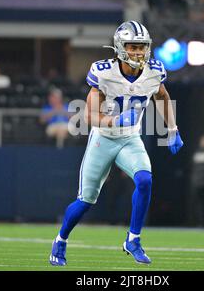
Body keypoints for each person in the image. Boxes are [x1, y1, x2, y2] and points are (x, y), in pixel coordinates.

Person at [50, 21, 184, 266]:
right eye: (132, 46)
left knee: (145, 180)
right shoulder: (104, 72)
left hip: (131, 138)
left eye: (142, 47)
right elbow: (89, 116)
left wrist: (173, 129)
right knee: (85, 201)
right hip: (103, 139)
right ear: (120, 47)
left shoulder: (154, 71)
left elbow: (162, 95)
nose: (138, 52)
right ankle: (61, 239)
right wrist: (115, 120)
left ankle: (133, 239)